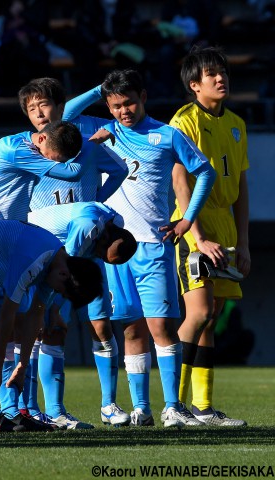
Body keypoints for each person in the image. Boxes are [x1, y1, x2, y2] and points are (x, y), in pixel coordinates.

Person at [67, 69, 217, 427]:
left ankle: (173, 406)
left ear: (143, 97)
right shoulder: (100, 130)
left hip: (153, 246)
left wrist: (185, 219)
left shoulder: (167, 135)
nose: (123, 111)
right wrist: (97, 89)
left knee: (161, 326)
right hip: (113, 249)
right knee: (130, 328)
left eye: (129, 103)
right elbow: (63, 116)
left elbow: (206, 172)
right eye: (116, 105)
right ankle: (141, 408)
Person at [19, 77, 129, 429]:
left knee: (84, 326)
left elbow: (121, 169)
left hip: (82, 249)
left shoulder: (84, 144)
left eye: (45, 105)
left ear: (61, 106)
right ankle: (36, 410)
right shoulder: (22, 148)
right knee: (40, 326)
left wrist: (98, 198)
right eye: (32, 108)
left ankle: (92, 406)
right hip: (41, 250)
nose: (39, 113)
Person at [170, 46, 249, 426]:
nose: (221, 79)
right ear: (193, 84)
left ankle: (201, 408)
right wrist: (197, 236)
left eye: (223, 73)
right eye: (211, 74)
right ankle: (174, 406)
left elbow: (243, 188)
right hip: (192, 226)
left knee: (211, 317)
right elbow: (179, 180)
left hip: (227, 228)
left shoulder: (236, 123)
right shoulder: (183, 121)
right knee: (198, 312)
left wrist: (244, 243)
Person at [0, 220, 103, 407]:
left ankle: (6, 412)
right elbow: (7, 315)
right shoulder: (32, 261)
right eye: (60, 291)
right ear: (64, 275)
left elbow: (36, 315)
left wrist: (23, 365)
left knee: (2, 337)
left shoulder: (57, 264)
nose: (56, 292)